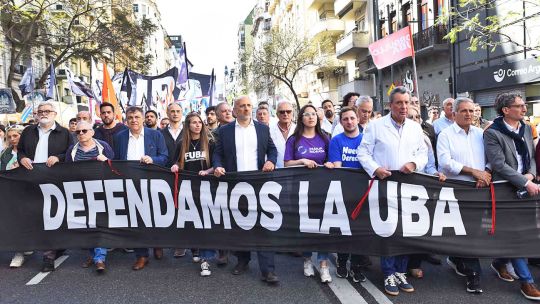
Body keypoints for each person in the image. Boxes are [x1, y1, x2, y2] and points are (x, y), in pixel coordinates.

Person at [358, 86, 427, 296]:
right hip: (384, 185)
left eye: (407, 102)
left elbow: (423, 153)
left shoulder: (415, 128)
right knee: (388, 230)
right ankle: (388, 272)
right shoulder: (376, 126)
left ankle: (400, 270)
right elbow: (363, 152)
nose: (404, 107)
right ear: (390, 105)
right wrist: (375, 169)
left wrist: (414, 163)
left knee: (405, 230)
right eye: (399, 103)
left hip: (408, 186)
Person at [213, 96, 279, 284]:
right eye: (242, 106)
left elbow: (272, 151)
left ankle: (268, 270)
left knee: (263, 226)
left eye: (249, 105)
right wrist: (217, 166)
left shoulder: (262, 128)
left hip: (259, 184)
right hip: (235, 184)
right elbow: (218, 153)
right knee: (240, 225)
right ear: (234, 110)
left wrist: (270, 161)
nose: (246, 109)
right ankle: (242, 260)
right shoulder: (224, 131)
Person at [484, 92, 540, 300]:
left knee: (524, 231)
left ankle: (499, 262)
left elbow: (531, 156)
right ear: (506, 110)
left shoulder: (525, 127)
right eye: (520, 106)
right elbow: (498, 164)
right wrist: (524, 181)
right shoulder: (492, 133)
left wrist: (530, 175)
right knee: (517, 234)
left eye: (524, 105)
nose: (525, 109)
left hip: (527, 185)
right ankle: (527, 282)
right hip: (505, 189)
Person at [434, 97, 488, 293]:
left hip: (479, 189)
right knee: (467, 232)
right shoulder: (445, 135)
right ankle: (474, 275)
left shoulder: (481, 134)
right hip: (457, 190)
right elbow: (445, 162)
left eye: (471, 111)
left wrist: (484, 174)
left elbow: (490, 159)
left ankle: (457, 258)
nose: (468, 114)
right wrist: (473, 171)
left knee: (473, 231)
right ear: (454, 113)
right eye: (464, 111)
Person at [17, 102, 73, 272]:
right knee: (34, 214)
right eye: (40, 111)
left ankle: (48, 256)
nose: (43, 114)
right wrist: (22, 158)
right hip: (31, 179)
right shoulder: (28, 131)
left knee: (50, 216)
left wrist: (59, 157)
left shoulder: (65, 133)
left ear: (54, 113)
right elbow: (20, 150)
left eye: (47, 111)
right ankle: (49, 246)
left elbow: (71, 153)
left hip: (54, 181)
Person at [113, 106, 168, 271]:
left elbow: (165, 157)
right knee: (135, 220)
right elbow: (116, 160)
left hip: (152, 183)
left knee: (154, 217)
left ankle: (157, 243)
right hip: (129, 184)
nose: (134, 120)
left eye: (137, 117)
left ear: (143, 118)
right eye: (130, 118)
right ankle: (142, 255)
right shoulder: (119, 137)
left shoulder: (156, 135)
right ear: (126, 120)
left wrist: (153, 159)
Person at [284, 104, 333, 283]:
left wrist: (329, 164)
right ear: (301, 118)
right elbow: (287, 163)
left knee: (323, 226)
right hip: (301, 189)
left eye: (314, 114)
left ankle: (324, 265)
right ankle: (307, 259)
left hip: (322, 188)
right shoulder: (294, 139)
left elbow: (333, 160)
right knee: (305, 226)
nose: (311, 117)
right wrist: (302, 160)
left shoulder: (325, 138)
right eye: (307, 114)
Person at [326, 107, 368, 283]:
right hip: (343, 191)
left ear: (357, 119)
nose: (349, 121)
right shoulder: (336, 140)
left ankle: (357, 266)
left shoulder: (367, 139)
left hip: (365, 192)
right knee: (343, 229)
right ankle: (342, 262)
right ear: (341, 122)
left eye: (352, 118)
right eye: (345, 119)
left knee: (361, 231)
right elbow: (338, 166)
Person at [66, 121, 114, 273]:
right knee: (86, 225)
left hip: (101, 192)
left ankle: (100, 257)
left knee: (99, 223)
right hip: (80, 193)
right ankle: (93, 255)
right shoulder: (71, 151)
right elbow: (67, 171)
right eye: (78, 132)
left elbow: (115, 166)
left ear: (92, 132)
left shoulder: (103, 147)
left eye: (84, 131)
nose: (80, 134)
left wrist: (106, 161)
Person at [171, 112, 215, 276]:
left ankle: (206, 259)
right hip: (187, 188)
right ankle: (195, 250)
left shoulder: (210, 142)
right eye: (193, 122)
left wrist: (208, 170)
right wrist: (175, 166)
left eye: (199, 122)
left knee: (205, 223)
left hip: (206, 188)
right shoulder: (181, 143)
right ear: (188, 125)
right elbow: (175, 161)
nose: (197, 125)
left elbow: (216, 163)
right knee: (192, 221)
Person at [2, 125, 34, 268]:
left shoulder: (30, 151)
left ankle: (25, 247)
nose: (12, 139)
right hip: (10, 191)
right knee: (13, 222)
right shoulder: (5, 153)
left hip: (28, 191)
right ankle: (19, 251)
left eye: (15, 136)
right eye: (9, 137)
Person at [269, 100, 296, 168]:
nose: (285, 114)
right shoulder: (269, 131)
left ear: (292, 113)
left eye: (288, 111)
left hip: (297, 171)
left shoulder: (300, 130)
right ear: (277, 114)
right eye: (282, 112)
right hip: (275, 171)